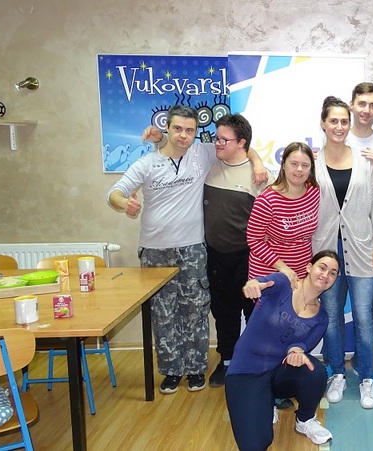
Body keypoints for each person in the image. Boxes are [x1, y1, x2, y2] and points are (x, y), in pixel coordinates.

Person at [107, 106, 265, 394]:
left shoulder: (203, 153)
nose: (183, 135)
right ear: (167, 128)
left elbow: (241, 145)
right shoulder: (147, 164)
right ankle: (170, 372)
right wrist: (124, 203)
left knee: (195, 311)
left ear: (195, 133)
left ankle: (195, 369)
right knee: (163, 314)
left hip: (193, 249)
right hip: (154, 251)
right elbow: (114, 193)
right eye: (178, 129)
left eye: (190, 130)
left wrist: (258, 163)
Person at [225, 250, 340, 450]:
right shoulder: (284, 284)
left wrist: (296, 353)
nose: (326, 275)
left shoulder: (321, 318)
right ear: (309, 267)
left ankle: (304, 420)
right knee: (256, 444)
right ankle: (265, 402)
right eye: (322, 267)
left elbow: (302, 345)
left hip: (279, 371)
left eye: (332, 273)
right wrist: (254, 285)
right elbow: (262, 283)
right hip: (246, 371)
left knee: (315, 371)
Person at [312, 96, 373, 409]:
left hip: (362, 248)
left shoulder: (364, 161)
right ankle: (337, 372)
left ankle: (366, 376)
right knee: (330, 317)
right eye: (334, 121)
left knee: (365, 316)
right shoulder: (312, 164)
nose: (339, 126)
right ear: (323, 124)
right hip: (326, 252)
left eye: (344, 121)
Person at [203, 114, 274, 388]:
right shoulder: (211, 164)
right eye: (217, 138)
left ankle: (255, 364)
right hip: (215, 256)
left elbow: (271, 223)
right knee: (223, 313)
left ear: (241, 143)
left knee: (254, 313)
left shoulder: (260, 177)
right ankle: (227, 361)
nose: (217, 144)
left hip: (248, 257)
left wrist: (257, 162)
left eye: (224, 140)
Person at [247, 142, 320, 284]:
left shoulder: (314, 192)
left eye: (305, 165)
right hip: (269, 274)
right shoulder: (267, 200)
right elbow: (254, 240)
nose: (299, 169)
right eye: (294, 164)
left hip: (301, 273)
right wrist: (283, 268)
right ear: (283, 165)